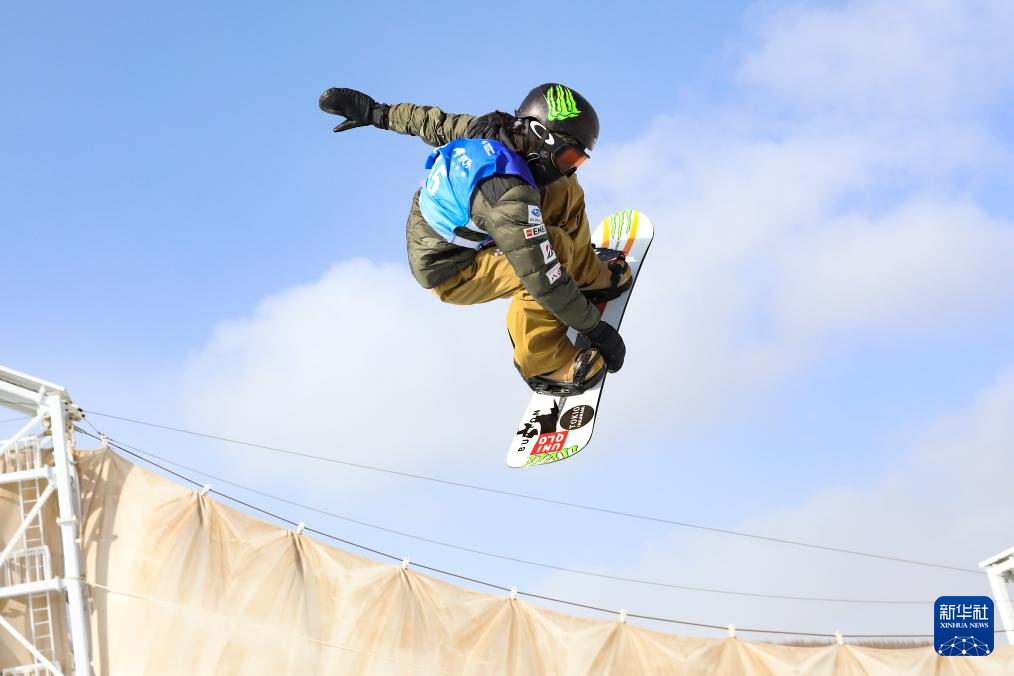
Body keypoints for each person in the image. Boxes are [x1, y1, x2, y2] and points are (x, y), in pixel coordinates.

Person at [319, 83, 631, 395]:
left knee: (564, 188)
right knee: (553, 251)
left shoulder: (490, 130)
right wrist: (595, 328)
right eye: (567, 158)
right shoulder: (507, 196)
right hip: (450, 269)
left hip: (471, 224)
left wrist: (377, 113)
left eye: (577, 161)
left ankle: (586, 276)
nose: (569, 168)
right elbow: (542, 276)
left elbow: (430, 121)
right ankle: (542, 363)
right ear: (540, 135)